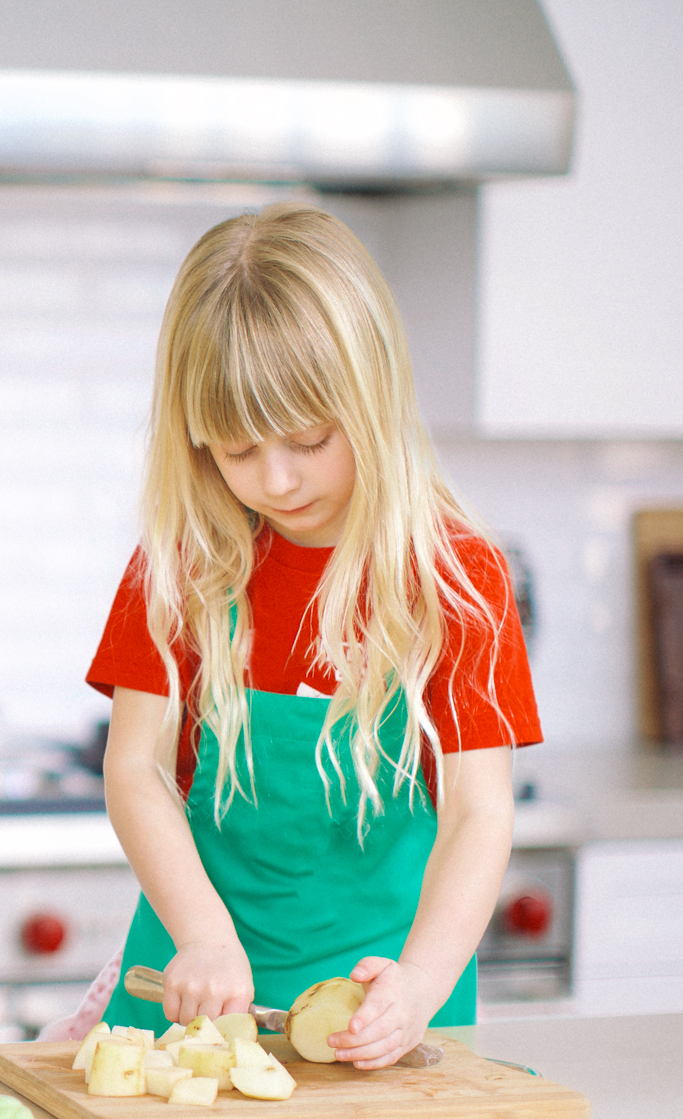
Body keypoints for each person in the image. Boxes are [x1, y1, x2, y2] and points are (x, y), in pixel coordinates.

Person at [43, 204, 540, 1068]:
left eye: (310, 439)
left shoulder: (455, 578)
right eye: (236, 451)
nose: (276, 479)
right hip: (188, 1006)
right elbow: (135, 769)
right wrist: (201, 935)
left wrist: (418, 986)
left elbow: (477, 811)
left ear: (373, 397)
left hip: (385, 1006)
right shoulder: (180, 567)